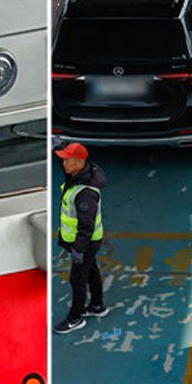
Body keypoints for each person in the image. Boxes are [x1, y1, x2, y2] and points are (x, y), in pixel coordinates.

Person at [53, 141, 108, 334]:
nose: (65, 164)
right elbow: (64, 164)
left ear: (79, 162)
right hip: (88, 242)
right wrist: (56, 147)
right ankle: (97, 305)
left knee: (78, 279)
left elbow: (86, 226)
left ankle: (75, 317)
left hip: (85, 243)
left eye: (69, 161)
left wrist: (78, 249)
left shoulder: (85, 194)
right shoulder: (78, 174)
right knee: (91, 270)